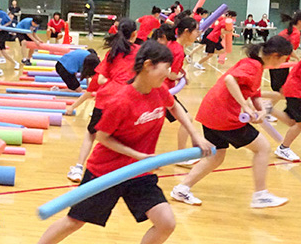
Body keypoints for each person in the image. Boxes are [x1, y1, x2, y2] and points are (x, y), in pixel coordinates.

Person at [38, 40, 213, 244]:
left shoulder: (159, 90)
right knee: (74, 221)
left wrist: (195, 135)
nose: (168, 75)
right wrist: (139, 156)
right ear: (148, 65)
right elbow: (102, 138)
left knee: (166, 223)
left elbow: (174, 107)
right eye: (165, 69)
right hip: (106, 171)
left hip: (139, 172)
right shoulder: (121, 101)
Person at [171, 36, 293, 209]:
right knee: (263, 148)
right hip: (223, 115)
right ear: (275, 55)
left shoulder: (255, 65)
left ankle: (181, 189)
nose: (284, 62)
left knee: (216, 156)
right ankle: (260, 195)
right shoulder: (253, 66)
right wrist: (246, 107)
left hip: (211, 112)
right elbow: (230, 80)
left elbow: (254, 93)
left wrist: (258, 110)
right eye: (284, 58)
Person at [67, 18, 138, 181]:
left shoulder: (112, 52)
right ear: (135, 34)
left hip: (106, 101)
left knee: (91, 134)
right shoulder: (140, 52)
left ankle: (78, 167)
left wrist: (115, 84)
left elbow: (100, 80)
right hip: (127, 102)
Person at [159, 17, 202, 166]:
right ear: (186, 31)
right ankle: (181, 156)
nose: (198, 33)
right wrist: (180, 75)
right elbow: (170, 74)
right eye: (196, 30)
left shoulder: (174, 46)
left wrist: (181, 72)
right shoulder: (178, 50)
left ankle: (181, 155)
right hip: (162, 93)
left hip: (162, 90)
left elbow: (171, 67)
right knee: (187, 120)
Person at [271, 41, 301, 162]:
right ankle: (283, 148)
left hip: (292, 88)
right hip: (295, 90)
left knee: (293, 122)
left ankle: (268, 109)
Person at [268, 11, 301, 103]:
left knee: (282, 91)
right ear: (300, 22)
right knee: (282, 91)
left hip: (276, 61)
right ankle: (261, 107)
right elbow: (288, 49)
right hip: (279, 63)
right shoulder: (295, 33)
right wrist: (298, 59)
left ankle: (266, 110)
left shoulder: (288, 31)